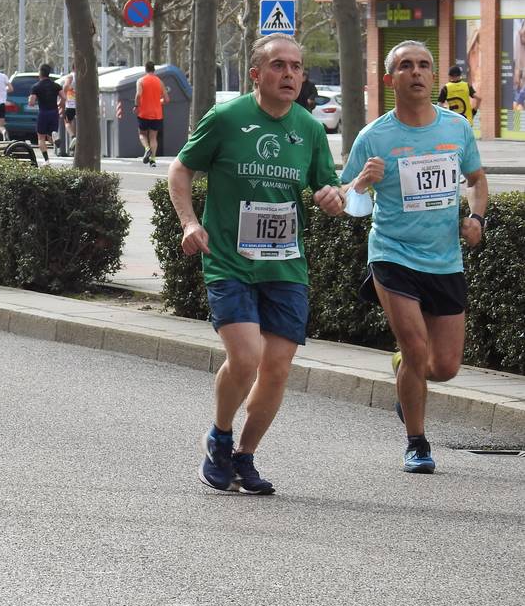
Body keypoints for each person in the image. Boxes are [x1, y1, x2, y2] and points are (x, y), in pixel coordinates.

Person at [167, 35, 345, 494]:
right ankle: (220, 436)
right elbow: (181, 169)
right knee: (246, 357)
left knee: (278, 367)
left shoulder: (308, 127)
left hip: (286, 265)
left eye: (297, 67)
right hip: (229, 259)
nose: (289, 75)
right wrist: (189, 223)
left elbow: (330, 191)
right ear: (256, 74)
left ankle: (244, 456)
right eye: (279, 66)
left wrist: (333, 197)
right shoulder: (227, 119)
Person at [341, 41, 486, 475]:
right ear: (391, 80)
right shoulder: (374, 137)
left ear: (434, 77)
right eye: (406, 66)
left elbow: (477, 180)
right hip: (392, 254)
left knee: (444, 367)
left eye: (424, 65)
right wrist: (362, 183)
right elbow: (346, 199)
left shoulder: (457, 128)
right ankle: (417, 444)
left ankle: (404, 370)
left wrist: (477, 218)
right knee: (415, 344)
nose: (417, 73)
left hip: (445, 259)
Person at [135, 62, 170, 166]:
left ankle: (147, 149)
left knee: (142, 134)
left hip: (144, 113)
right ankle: (153, 160)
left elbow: (138, 95)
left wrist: (136, 105)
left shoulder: (141, 81)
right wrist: (159, 102)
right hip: (157, 114)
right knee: (153, 137)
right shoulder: (159, 82)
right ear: (154, 70)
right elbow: (167, 99)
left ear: (145, 69)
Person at [28, 63, 64, 163]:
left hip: (43, 113)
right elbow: (64, 97)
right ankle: (54, 134)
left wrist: (30, 101)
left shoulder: (36, 87)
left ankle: (46, 160)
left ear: (40, 73)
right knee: (51, 134)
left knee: (41, 138)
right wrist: (60, 104)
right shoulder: (56, 85)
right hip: (54, 112)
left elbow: (31, 102)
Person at [60, 67, 77, 152]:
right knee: (75, 122)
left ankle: (73, 137)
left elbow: (66, 86)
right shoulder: (84, 76)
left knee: (67, 122)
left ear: (73, 68)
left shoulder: (71, 76)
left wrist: (65, 93)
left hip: (71, 103)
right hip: (82, 105)